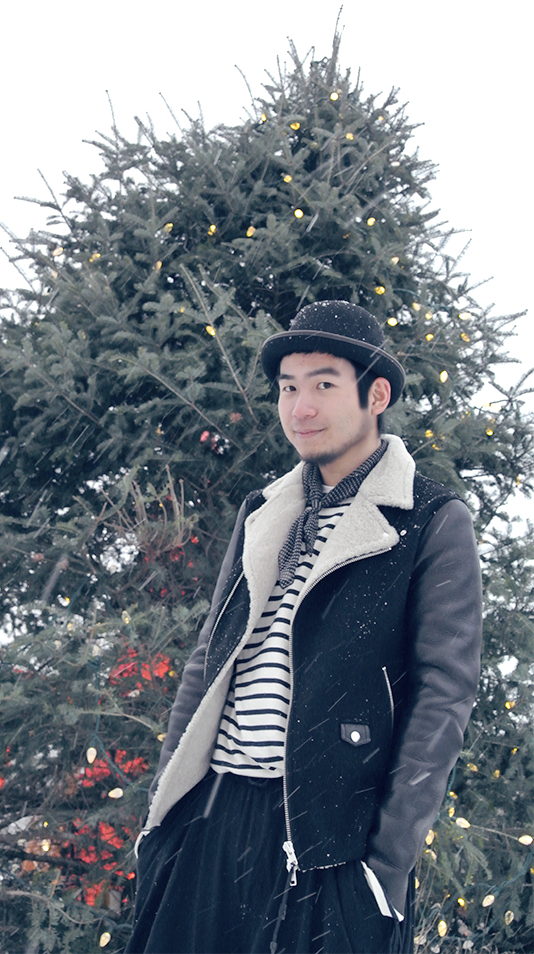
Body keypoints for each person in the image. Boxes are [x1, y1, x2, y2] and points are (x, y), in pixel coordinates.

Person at [125, 300, 482, 954]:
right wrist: (164, 809)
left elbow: (445, 693)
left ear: (376, 394)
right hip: (212, 821)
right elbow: (209, 664)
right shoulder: (263, 512)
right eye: (289, 388)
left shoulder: (430, 519)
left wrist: (386, 865)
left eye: (323, 385)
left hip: (329, 846)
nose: (301, 408)